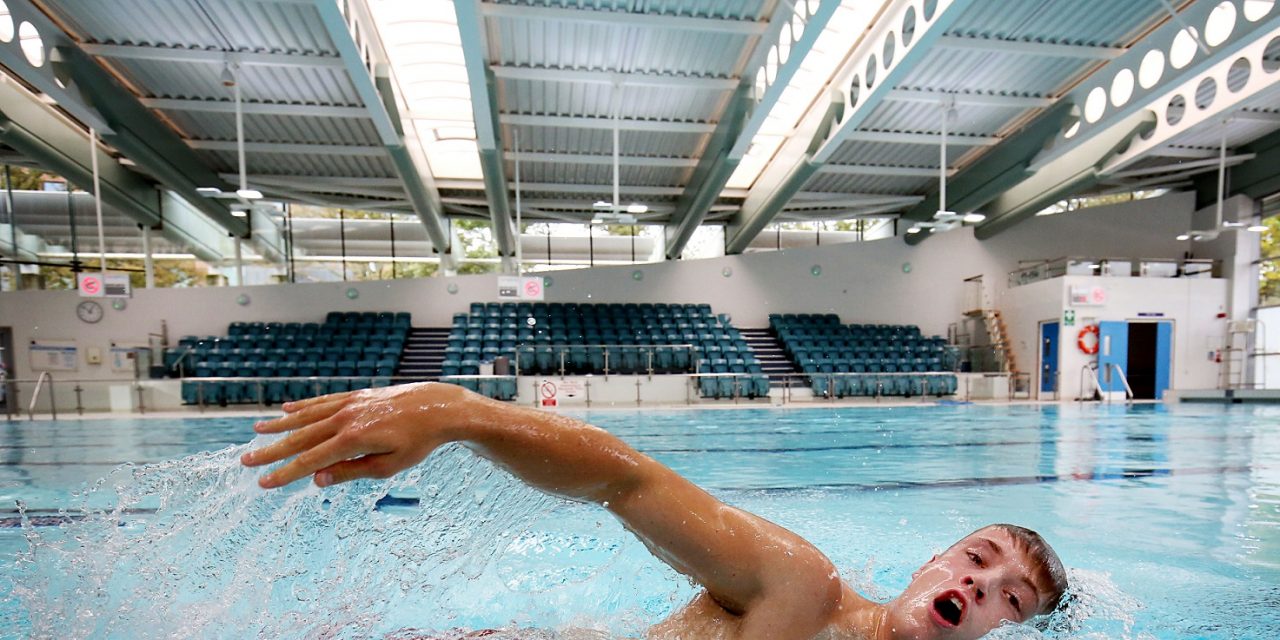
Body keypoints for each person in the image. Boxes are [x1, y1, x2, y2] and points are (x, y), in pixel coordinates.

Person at [241, 382, 1067, 640]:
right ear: (932, 560)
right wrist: (464, 413)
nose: (980, 583)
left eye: (1010, 596)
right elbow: (629, 483)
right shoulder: (801, 591)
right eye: (976, 555)